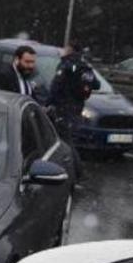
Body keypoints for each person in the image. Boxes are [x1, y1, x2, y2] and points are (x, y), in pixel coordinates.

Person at [49, 38, 100, 180]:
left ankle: (77, 172)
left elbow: (55, 86)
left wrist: (49, 102)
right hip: (77, 108)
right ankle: (71, 170)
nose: (64, 50)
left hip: (63, 108)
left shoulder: (66, 64)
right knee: (69, 139)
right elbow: (96, 85)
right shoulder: (85, 66)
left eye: (66, 48)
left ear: (70, 49)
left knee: (65, 141)